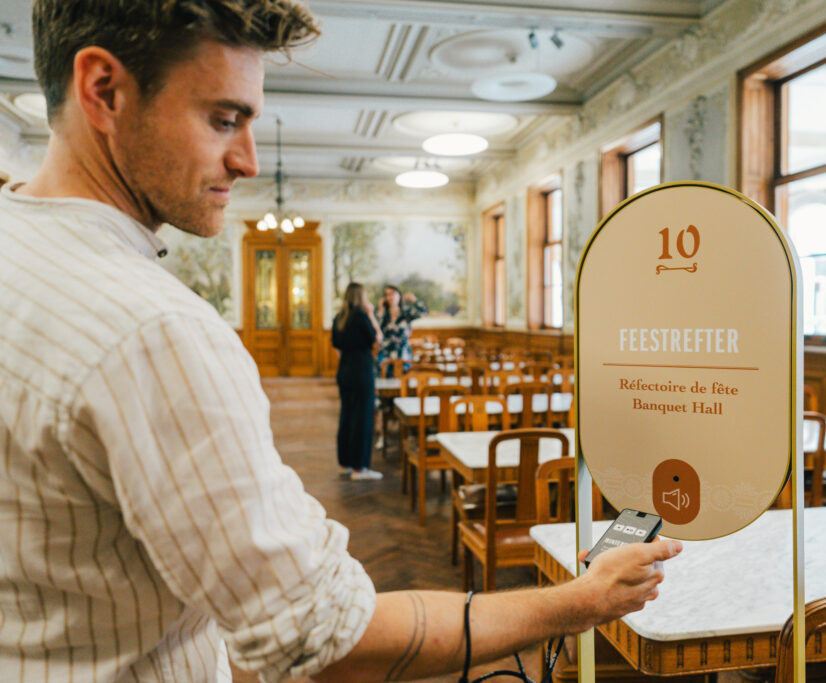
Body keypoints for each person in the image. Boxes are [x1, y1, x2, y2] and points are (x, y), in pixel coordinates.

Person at [0, 1, 683, 681]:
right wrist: (582, 598)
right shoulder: (155, 331)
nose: (246, 160)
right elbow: (325, 636)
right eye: (223, 118)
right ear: (104, 90)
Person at [332, 282, 383, 480]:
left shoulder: (339, 317)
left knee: (347, 416)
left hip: (344, 370)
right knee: (362, 418)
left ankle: (344, 463)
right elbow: (377, 338)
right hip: (361, 372)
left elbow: (337, 346)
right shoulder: (361, 317)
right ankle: (360, 468)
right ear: (361, 297)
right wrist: (371, 313)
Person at [376, 284, 427, 375]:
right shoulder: (382, 313)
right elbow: (375, 329)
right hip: (385, 354)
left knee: (404, 381)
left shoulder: (406, 312)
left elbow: (423, 312)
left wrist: (413, 300)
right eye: (387, 294)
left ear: (399, 295)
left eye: (392, 293)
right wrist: (380, 310)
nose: (390, 297)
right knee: (384, 382)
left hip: (403, 353)